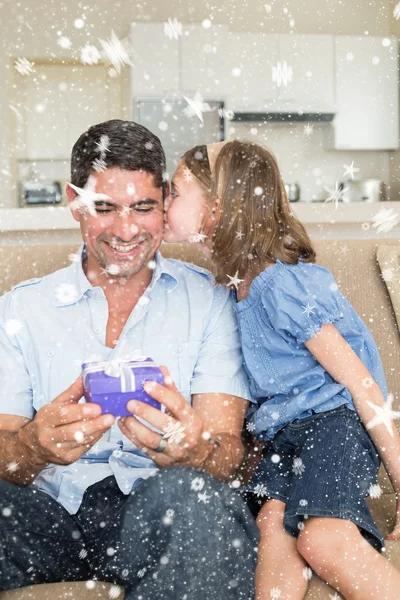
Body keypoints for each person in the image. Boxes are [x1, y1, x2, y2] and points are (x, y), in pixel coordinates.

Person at [0, 121, 260, 600]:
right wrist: (31, 449)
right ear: (74, 200)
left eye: (143, 207)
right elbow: (4, 450)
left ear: (164, 201)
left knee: (196, 498)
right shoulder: (21, 309)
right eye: (104, 208)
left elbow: (229, 453)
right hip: (51, 516)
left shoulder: (211, 303)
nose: (126, 230)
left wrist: (197, 452)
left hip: (161, 505)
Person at [164, 139, 400, 600]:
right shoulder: (233, 288)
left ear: (217, 208)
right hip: (284, 437)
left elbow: (359, 379)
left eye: (175, 190)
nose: (165, 200)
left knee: (322, 540)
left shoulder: (281, 285)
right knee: (272, 524)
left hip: (334, 426)